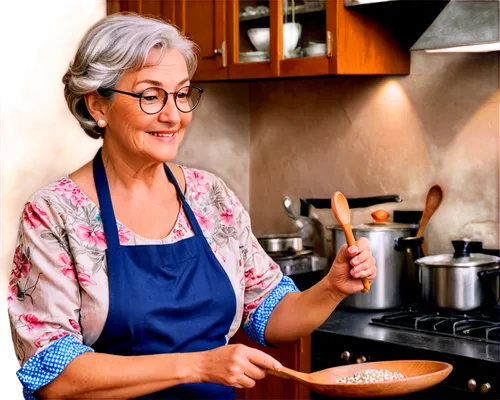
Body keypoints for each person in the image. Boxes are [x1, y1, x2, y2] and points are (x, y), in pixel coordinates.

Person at [6, 12, 376, 400]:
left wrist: (331, 289)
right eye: (151, 96)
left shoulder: (209, 196)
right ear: (98, 105)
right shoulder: (54, 214)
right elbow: (55, 375)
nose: (173, 115)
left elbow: (270, 313)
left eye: (182, 94)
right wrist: (197, 365)